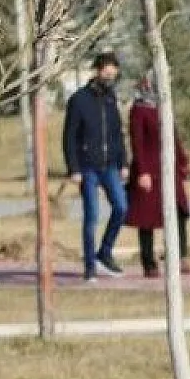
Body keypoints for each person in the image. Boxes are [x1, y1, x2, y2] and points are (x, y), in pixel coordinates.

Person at [62, 52, 128, 280]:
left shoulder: (111, 99)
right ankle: (90, 267)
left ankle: (105, 253)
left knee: (121, 207)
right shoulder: (79, 100)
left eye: (113, 71)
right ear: (98, 70)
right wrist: (73, 168)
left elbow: (118, 134)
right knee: (91, 217)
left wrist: (123, 163)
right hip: (87, 166)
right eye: (107, 70)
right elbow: (69, 136)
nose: (110, 75)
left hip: (109, 165)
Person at [124, 77, 190, 278]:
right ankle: (149, 262)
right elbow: (138, 142)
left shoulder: (164, 107)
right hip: (149, 169)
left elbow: (174, 136)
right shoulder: (139, 110)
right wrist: (143, 171)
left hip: (168, 168)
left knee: (179, 212)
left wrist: (182, 161)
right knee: (147, 218)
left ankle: (180, 256)